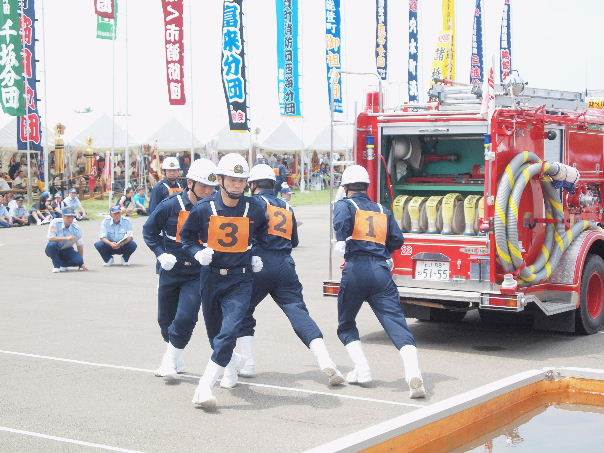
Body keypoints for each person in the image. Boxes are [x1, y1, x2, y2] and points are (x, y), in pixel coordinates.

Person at [230, 164, 344, 389]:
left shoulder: (253, 203)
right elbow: (294, 242)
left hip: (259, 262)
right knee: (298, 312)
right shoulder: (286, 205)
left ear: (252, 185)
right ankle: (325, 360)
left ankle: (248, 362)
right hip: (285, 264)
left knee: (243, 310)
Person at [181, 153, 268, 409]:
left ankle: (204, 387)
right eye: (233, 179)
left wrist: (256, 255)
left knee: (229, 332)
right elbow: (186, 239)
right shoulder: (203, 208)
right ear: (220, 180)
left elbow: (263, 234)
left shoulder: (255, 207)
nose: (238, 185)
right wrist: (197, 253)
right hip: (211, 277)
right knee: (215, 333)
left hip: (241, 280)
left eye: (242, 180)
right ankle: (230, 368)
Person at [333, 165, 426, 398]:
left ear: (346, 188)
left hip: (355, 269)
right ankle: (414, 373)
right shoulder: (382, 209)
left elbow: (341, 228)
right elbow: (397, 240)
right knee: (396, 322)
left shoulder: (345, 205)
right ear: (367, 187)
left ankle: (362, 369)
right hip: (381, 270)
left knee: (346, 324)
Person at [143, 158, 219, 380]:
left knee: (186, 316)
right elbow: (149, 231)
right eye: (203, 186)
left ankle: (168, 361)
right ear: (190, 183)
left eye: (211, 187)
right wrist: (160, 253)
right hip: (170, 269)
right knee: (164, 320)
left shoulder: (214, 208)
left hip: (197, 273)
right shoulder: (170, 205)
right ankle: (175, 356)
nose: (208, 191)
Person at [45, 207, 87, 273]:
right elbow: (50, 238)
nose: (70, 219)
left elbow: (80, 244)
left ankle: (63, 264)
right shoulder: (55, 222)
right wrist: (66, 238)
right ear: (63, 216)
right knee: (52, 245)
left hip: (67, 249)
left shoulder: (76, 229)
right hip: (55, 247)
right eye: (68, 217)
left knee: (78, 261)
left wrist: (81, 262)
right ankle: (56, 266)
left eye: (72, 217)